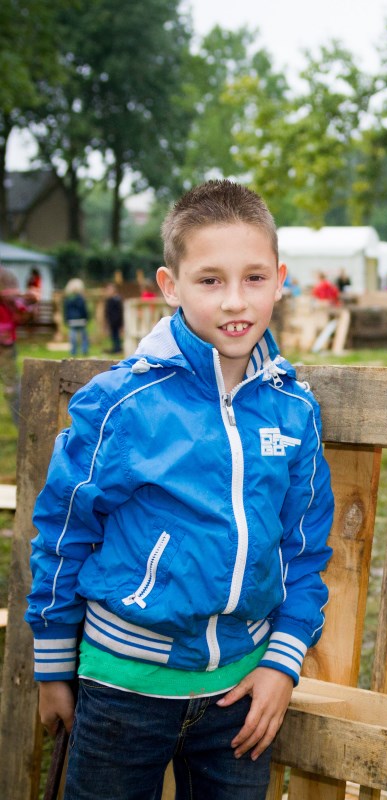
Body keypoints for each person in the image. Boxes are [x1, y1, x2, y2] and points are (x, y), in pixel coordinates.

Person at [26, 180, 335, 799]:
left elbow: (304, 553)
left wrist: (282, 663)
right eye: (210, 280)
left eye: (253, 278)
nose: (234, 301)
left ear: (280, 280)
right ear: (170, 286)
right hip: (123, 689)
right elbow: (63, 533)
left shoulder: (293, 411)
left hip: (240, 695)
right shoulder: (122, 404)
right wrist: (55, 666)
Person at [0, 262, 23, 427]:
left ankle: (18, 421)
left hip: (6, 343)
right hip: (5, 341)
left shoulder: (6, 274)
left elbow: (16, 304)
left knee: (12, 384)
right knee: (11, 384)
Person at [63, 277, 90, 356]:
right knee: (74, 338)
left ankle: (83, 350)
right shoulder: (75, 299)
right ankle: (75, 351)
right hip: (74, 320)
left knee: (81, 337)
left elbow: (83, 309)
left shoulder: (73, 299)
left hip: (78, 320)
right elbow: (67, 310)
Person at [103, 282, 124, 354]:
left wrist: (121, 322)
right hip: (111, 321)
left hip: (117, 321)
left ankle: (118, 348)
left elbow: (120, 311)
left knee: (117, 336)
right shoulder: (109, 300)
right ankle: (115, 348)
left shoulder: (116, 300)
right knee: (113, 335)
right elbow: (107, 312)